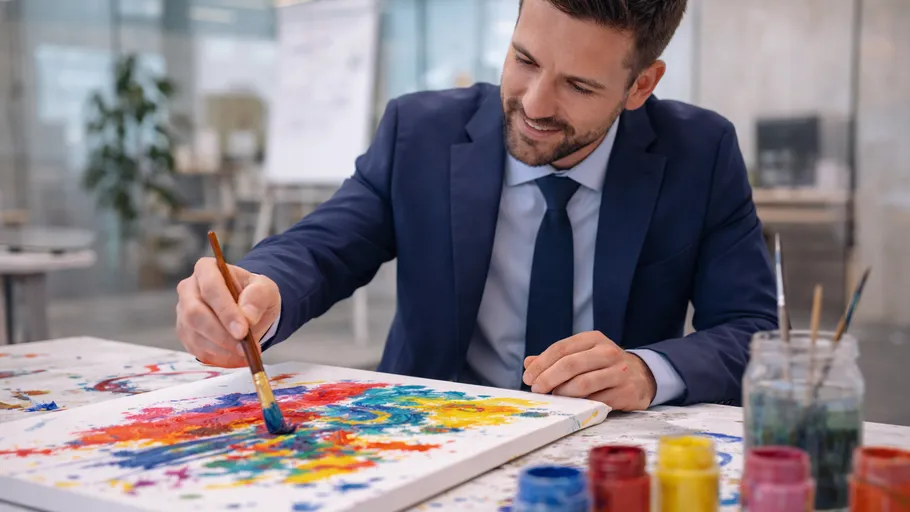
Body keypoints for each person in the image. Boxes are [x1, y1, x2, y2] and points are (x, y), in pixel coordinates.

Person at [175, 0, 777, 411]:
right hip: (434, 436)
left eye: (578, 85)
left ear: (642, 84)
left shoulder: (700, 153)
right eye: (526, 60)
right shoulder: (421, 132)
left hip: (606, 452)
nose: (535, 105)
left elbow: (754, 332)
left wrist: (647, 372)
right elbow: (325, 245)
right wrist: (260, 289)